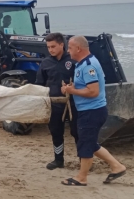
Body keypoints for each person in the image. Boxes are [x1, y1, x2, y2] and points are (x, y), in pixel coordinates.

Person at [60, 35, 126, 186]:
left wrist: (72, 91)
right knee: (90, 143)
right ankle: (117, 166)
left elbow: (93, 91)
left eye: (69, 47)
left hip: (92, 111)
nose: (67, 50)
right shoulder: (82, 63)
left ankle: (81, 178)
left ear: (78, 48)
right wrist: (70, 88)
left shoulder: (89, 65)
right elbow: (84, 86)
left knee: (85, 144)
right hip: (88, 110)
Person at [35, 32, 78, 170]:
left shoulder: (73, 61)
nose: (50, 49)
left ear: (62, 45)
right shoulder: (45, 63)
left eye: (53, 46)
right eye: (48, 47)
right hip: (54, 104)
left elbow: (83, 81)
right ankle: (58, 159)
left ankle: (83, 159)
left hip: (73, 104)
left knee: (77, 132)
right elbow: (39, 84)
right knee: (56, 131)